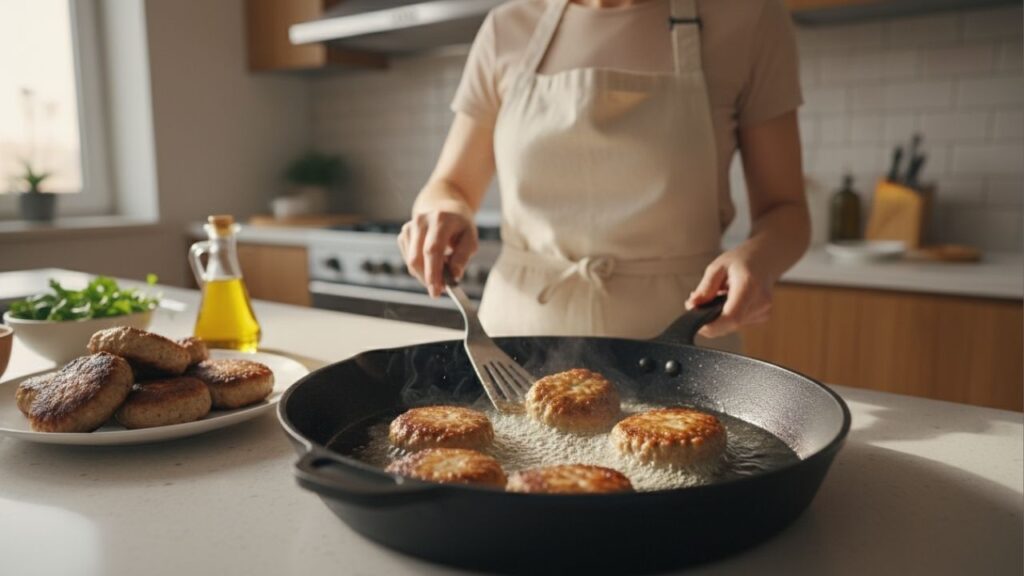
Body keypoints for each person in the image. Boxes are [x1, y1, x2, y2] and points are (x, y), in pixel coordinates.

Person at [398, 0, 808, 348]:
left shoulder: (748, 18)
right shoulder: (508, 27)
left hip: (682, 345)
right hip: (515, 345)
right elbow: (449, 185)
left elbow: (785, 210)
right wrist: (443, 211)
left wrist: (758, 260)